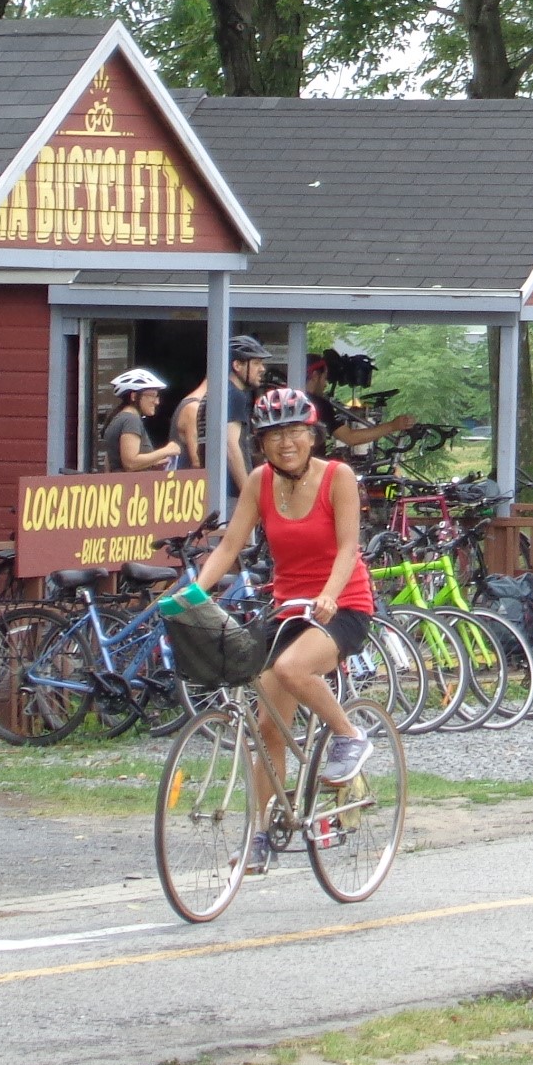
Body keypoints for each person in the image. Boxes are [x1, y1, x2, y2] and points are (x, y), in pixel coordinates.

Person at [187, 386, 376, 824]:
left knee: (293, 668)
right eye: (274, 435)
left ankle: (349, 736)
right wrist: (194, 591)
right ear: (261, 443)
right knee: (269, 729)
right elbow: (229, 545)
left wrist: (329, 593)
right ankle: (261, 832)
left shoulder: (338, 477)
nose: (285, 443)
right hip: (289, 609)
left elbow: (348, 548)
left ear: (313, 436)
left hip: (343, 605)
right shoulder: (260, 481)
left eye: (294, 432)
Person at [176, 335, 269, 499]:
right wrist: (248, 495)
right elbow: (230, 446)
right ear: (237, 365)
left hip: (215, 491)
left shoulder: (217, 393)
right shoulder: (234, 395)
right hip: (230, 495)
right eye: (256, 363)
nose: (262, 369)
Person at [305, 354, 416, 455]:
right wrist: (393, 426)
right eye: (324, 378)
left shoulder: (296, 398)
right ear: (315, 376)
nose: (325, 384)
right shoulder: (320, 405)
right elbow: (349, 437)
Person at [102, 368, 183, 471]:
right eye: (152, 395)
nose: (157, 402)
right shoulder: (131, 420)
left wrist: (152, 463)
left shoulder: (118, 418)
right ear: (134, 396)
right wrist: (167, 450)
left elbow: (110, 464)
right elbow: (130, 463)